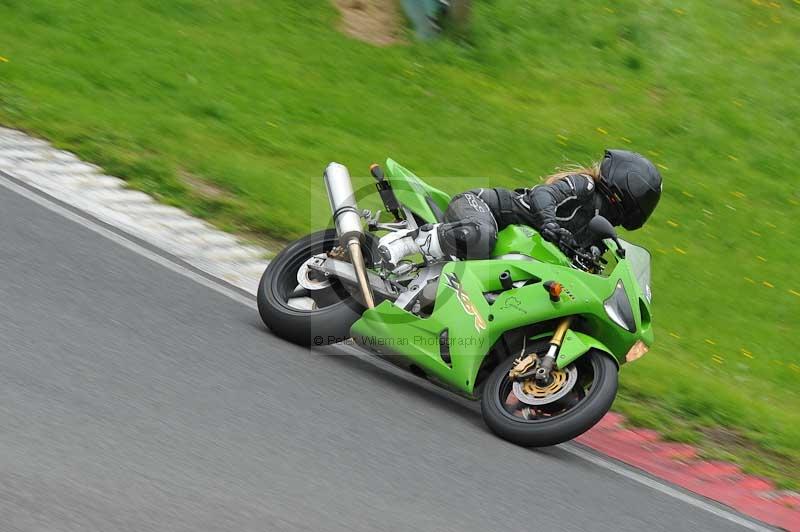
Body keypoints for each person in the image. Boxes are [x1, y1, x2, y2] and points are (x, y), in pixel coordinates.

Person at [377, 149, 662, 268]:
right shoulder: (585, 186)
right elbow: (543, 194)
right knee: (481, 236)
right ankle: (405, 244)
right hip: (483, 208)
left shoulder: (600, 233)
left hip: (516, 252)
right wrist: (549, 221)